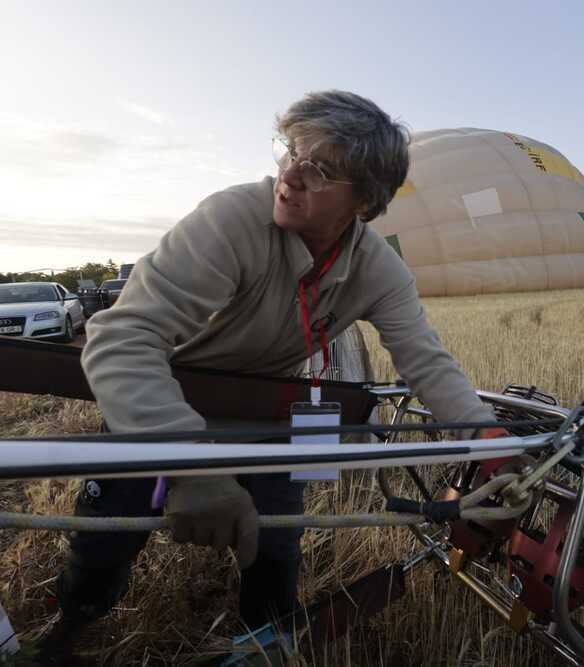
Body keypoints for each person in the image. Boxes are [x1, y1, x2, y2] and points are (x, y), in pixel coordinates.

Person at [49, 90, 507, 645]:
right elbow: (122, 338)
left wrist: (488, 440)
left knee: (275, 550)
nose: (290, 175)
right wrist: (190, 466)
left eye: (320, 171)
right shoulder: (232, 219)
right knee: (102, 543)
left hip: (269, 410)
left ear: (364, 201)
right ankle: (69, 630)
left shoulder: (378, 269)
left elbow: (427, 363)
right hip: (160, 399)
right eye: (290, 152)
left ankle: (262, 643)